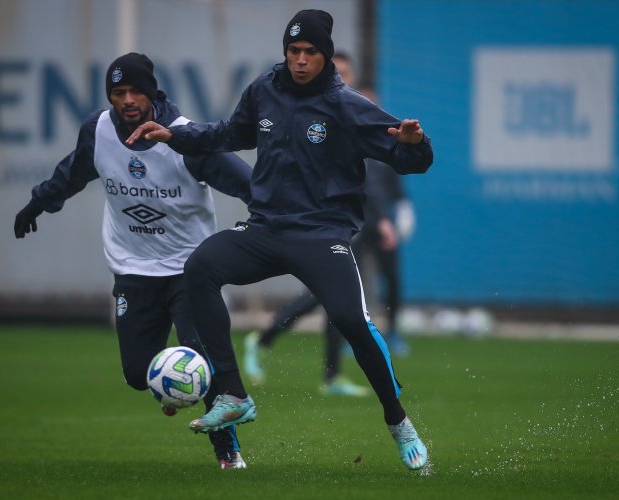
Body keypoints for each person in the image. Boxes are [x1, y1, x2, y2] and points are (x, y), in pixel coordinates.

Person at [126, 10, 432, 470]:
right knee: (201, 267)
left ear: (325, 55)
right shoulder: (263, 90)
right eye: (294, 51)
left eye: (310, 52)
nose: (301, 60)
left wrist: (414, 143)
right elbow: (229, 134)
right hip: (266, 228)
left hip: (322, 233)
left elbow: (411, 160)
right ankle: (232, 393)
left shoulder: (347, 105)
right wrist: (176, 134)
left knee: (350, 319)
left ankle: (397, 419)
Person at [13, 53, 253, 469]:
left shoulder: (184, 138)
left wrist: (273, 217)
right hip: (132, 269)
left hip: (189, 269)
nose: (127, 100)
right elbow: (73, 173)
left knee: (201, 357)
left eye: (135, 92)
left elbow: (245, 182)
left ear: (152, 94)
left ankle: (228, 453)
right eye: (118, 92)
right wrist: (37, 204)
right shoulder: (99, 130)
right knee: (136, 373)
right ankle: (174, 388)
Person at [242, 52, 416, 395]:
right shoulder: (317, 116)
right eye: (341, 72)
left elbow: (377, 175)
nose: (344, 79)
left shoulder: (352, 114)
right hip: (327, 223)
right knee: (324, 297)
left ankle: (332, 374)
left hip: (359, 221)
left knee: (346, 297)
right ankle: (263, 340)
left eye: (348, 73)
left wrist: (392, 211)